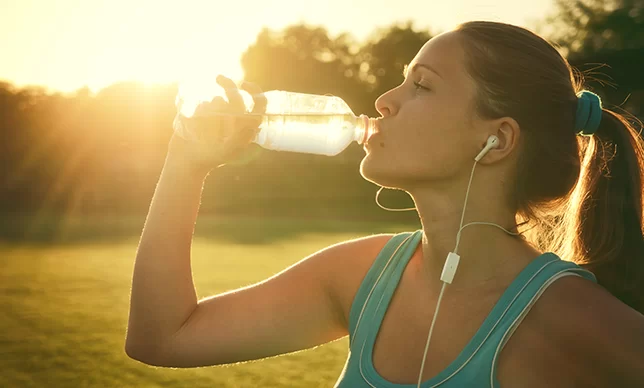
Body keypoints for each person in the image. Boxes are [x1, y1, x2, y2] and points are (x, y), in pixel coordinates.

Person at [125, 21, 644, 387]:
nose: (383, 101)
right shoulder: (360, 278)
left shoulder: (569, 317)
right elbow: (163, 339)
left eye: (421, 85)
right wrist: (186, 161)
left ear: (498, 140)